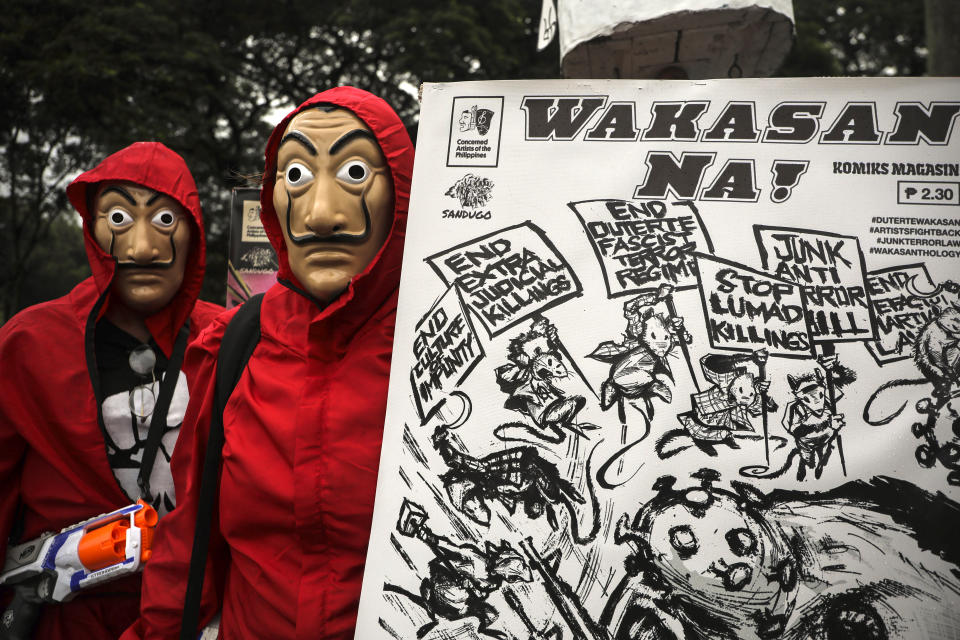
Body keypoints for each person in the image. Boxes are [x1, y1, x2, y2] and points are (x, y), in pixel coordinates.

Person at [124, 87, 414, 639]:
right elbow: (187, 555)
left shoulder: (452, 347)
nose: (323, 215)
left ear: (401, 192)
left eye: (355, 172)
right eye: (298, 176)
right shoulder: (237, 345)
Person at [0, 142, 221, 638]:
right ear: (92, 230)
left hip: (193, 614)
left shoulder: (227, 338)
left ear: (194, 232)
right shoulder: (29, 344)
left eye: (165, 220)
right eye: (118, 217)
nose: (142, 248)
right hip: (66, 615)